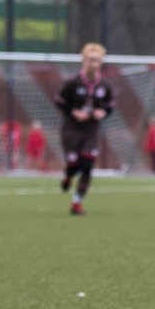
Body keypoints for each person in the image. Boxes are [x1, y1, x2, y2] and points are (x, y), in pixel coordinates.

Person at [54, 43, 116, 215]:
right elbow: (59, 101)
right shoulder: (72, 83)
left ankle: (77, 203)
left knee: (88, 164)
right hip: (71, 130)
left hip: (91, 131)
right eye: (90, 60)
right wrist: (73, 112)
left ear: (100, 62)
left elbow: (110, 106)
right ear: (83, 60)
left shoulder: (105, 85)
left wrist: (102, 113)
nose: (93, 64)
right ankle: (68, 176)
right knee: (74, 163)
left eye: (96, 61)